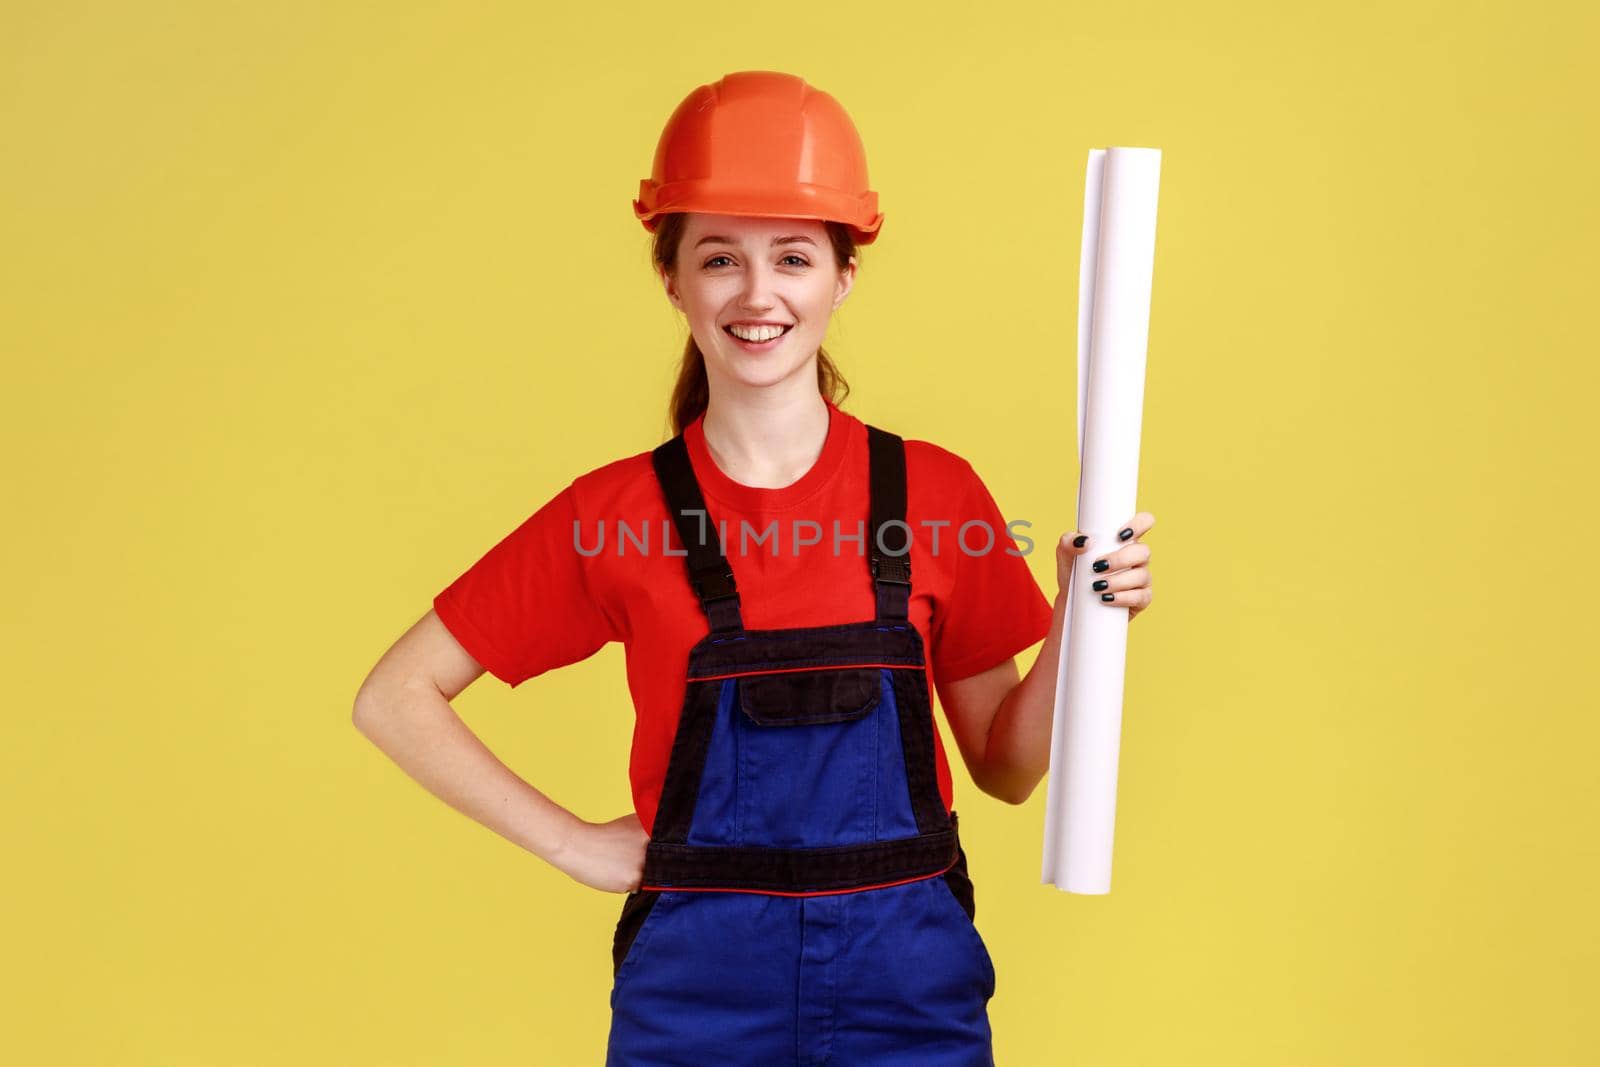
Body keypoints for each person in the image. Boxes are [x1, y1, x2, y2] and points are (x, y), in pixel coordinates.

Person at [353, 70, 1155, 1067]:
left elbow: (1005, 765)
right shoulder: (615, 514)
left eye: (792, 256)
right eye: (719, 257)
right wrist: (570, 842)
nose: (757, 292)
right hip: (696, 1001)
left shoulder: (934, 494)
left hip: (908, 992)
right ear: (673, 277)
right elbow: (394, 696)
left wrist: (1087, 616)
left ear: (841, 275)